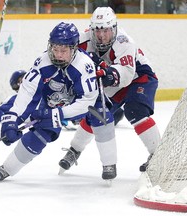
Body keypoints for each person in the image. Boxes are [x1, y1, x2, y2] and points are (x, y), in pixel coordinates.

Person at [0, 22, 99, 182]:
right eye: (55, 49)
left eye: (63, 50)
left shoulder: (85, 65)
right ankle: (8, 168)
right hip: (49, 101)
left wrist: (57, 114)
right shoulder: (42, 62)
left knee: (101, 117)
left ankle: (104, 162)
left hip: (77, 105)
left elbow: (87, 102)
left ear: (74, 48)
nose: (58, 55)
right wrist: (13, 119)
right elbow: (27, 90)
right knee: (44, 132)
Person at [59, 7, 160, 174]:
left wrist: (109, 74)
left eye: (105, 30)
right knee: (96, 113)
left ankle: (158, 155)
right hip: (112, 84)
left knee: (135, 110)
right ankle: (74, 151)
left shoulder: (124, 42)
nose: (101, 35)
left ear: (114, 28)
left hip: (139, 77)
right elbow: (62, 54)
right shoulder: (83, 41)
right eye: (97, 30)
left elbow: (127, 75)